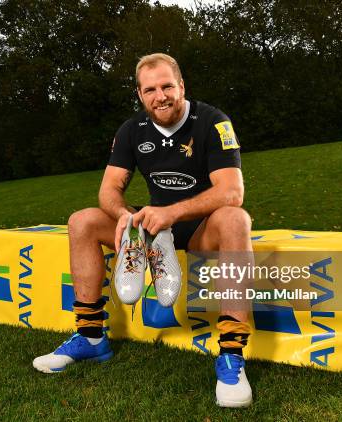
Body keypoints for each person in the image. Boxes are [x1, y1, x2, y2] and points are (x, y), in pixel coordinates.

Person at [33, 53, 254, 408]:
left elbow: (232, 191)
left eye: (167, 86)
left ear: (182, 86)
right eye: (150, 89)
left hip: (197, 228)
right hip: (151, 228)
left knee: (235, 218)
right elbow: (108, 189)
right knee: (83, 221)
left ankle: (230, 355)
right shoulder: (132, 130)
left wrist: (172, 212)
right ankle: (90, 337)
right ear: (140, 94)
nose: (160, 96)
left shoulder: (213, 122)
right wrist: (124, 215)